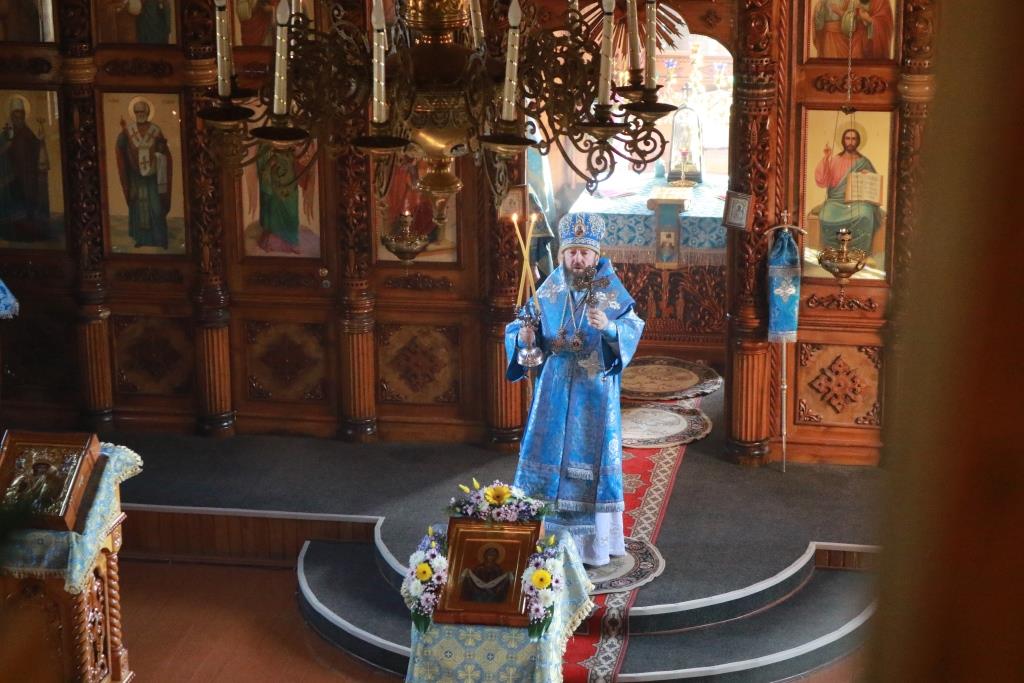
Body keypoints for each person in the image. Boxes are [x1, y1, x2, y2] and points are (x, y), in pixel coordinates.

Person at [506, 213, 644, 567]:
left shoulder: (610, 290)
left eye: (584, 252)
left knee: (588, 463)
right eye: (571, 252)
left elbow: (632, 327)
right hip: (553, 389)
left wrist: (610, 328)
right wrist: (524, 338)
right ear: (562, 255)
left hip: (593, 390)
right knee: (546, 456)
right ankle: (541, 537)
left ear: (596, 255)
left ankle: (592, 548)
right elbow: (521, 326)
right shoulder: (551, 288)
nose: (578, 259)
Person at [814, 127, 881, 254]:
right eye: (847, 138)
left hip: (857, 202)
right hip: (835, 201)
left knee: (865, 214)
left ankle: (859, 253)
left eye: (853, 139)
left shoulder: (864, 162)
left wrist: (867, 176)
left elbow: (874, 186)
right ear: (843, 140)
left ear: (858, 141)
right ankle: (832, 252)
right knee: (825, 216)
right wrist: (826, 158)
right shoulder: (834, 160)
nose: (850, 142)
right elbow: (822, 181)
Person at [115, 99, 172, 248]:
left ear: (147, 112)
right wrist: (122, 136)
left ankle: (160, 239)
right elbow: (121, 147)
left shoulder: (155, 130)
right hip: (136, 176)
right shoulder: (129, 130)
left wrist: (160, 154)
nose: (140, 114)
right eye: (137, 112)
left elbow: (164, 151)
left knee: (156, 208)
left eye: (142, 111)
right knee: (138, 209)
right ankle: (141, 239)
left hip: (153, 177)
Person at [0, 97, 50, 243]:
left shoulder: (28, 133)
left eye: (21, 115)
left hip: (28, 175)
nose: (18, 118)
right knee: (15, 204)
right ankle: (13, 230)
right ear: (11, 116)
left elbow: (36, 147)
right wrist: (7, 144)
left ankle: (30, 229)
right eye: (16, 116)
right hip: (12, 176)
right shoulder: (5, 134)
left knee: (29, 202)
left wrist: (40, 140)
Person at [812, 0, 894, 60]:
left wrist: (868, 19)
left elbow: (885, 23)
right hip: (853, 40)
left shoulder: (881, 2)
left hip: (868, 43)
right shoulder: (823, 2)